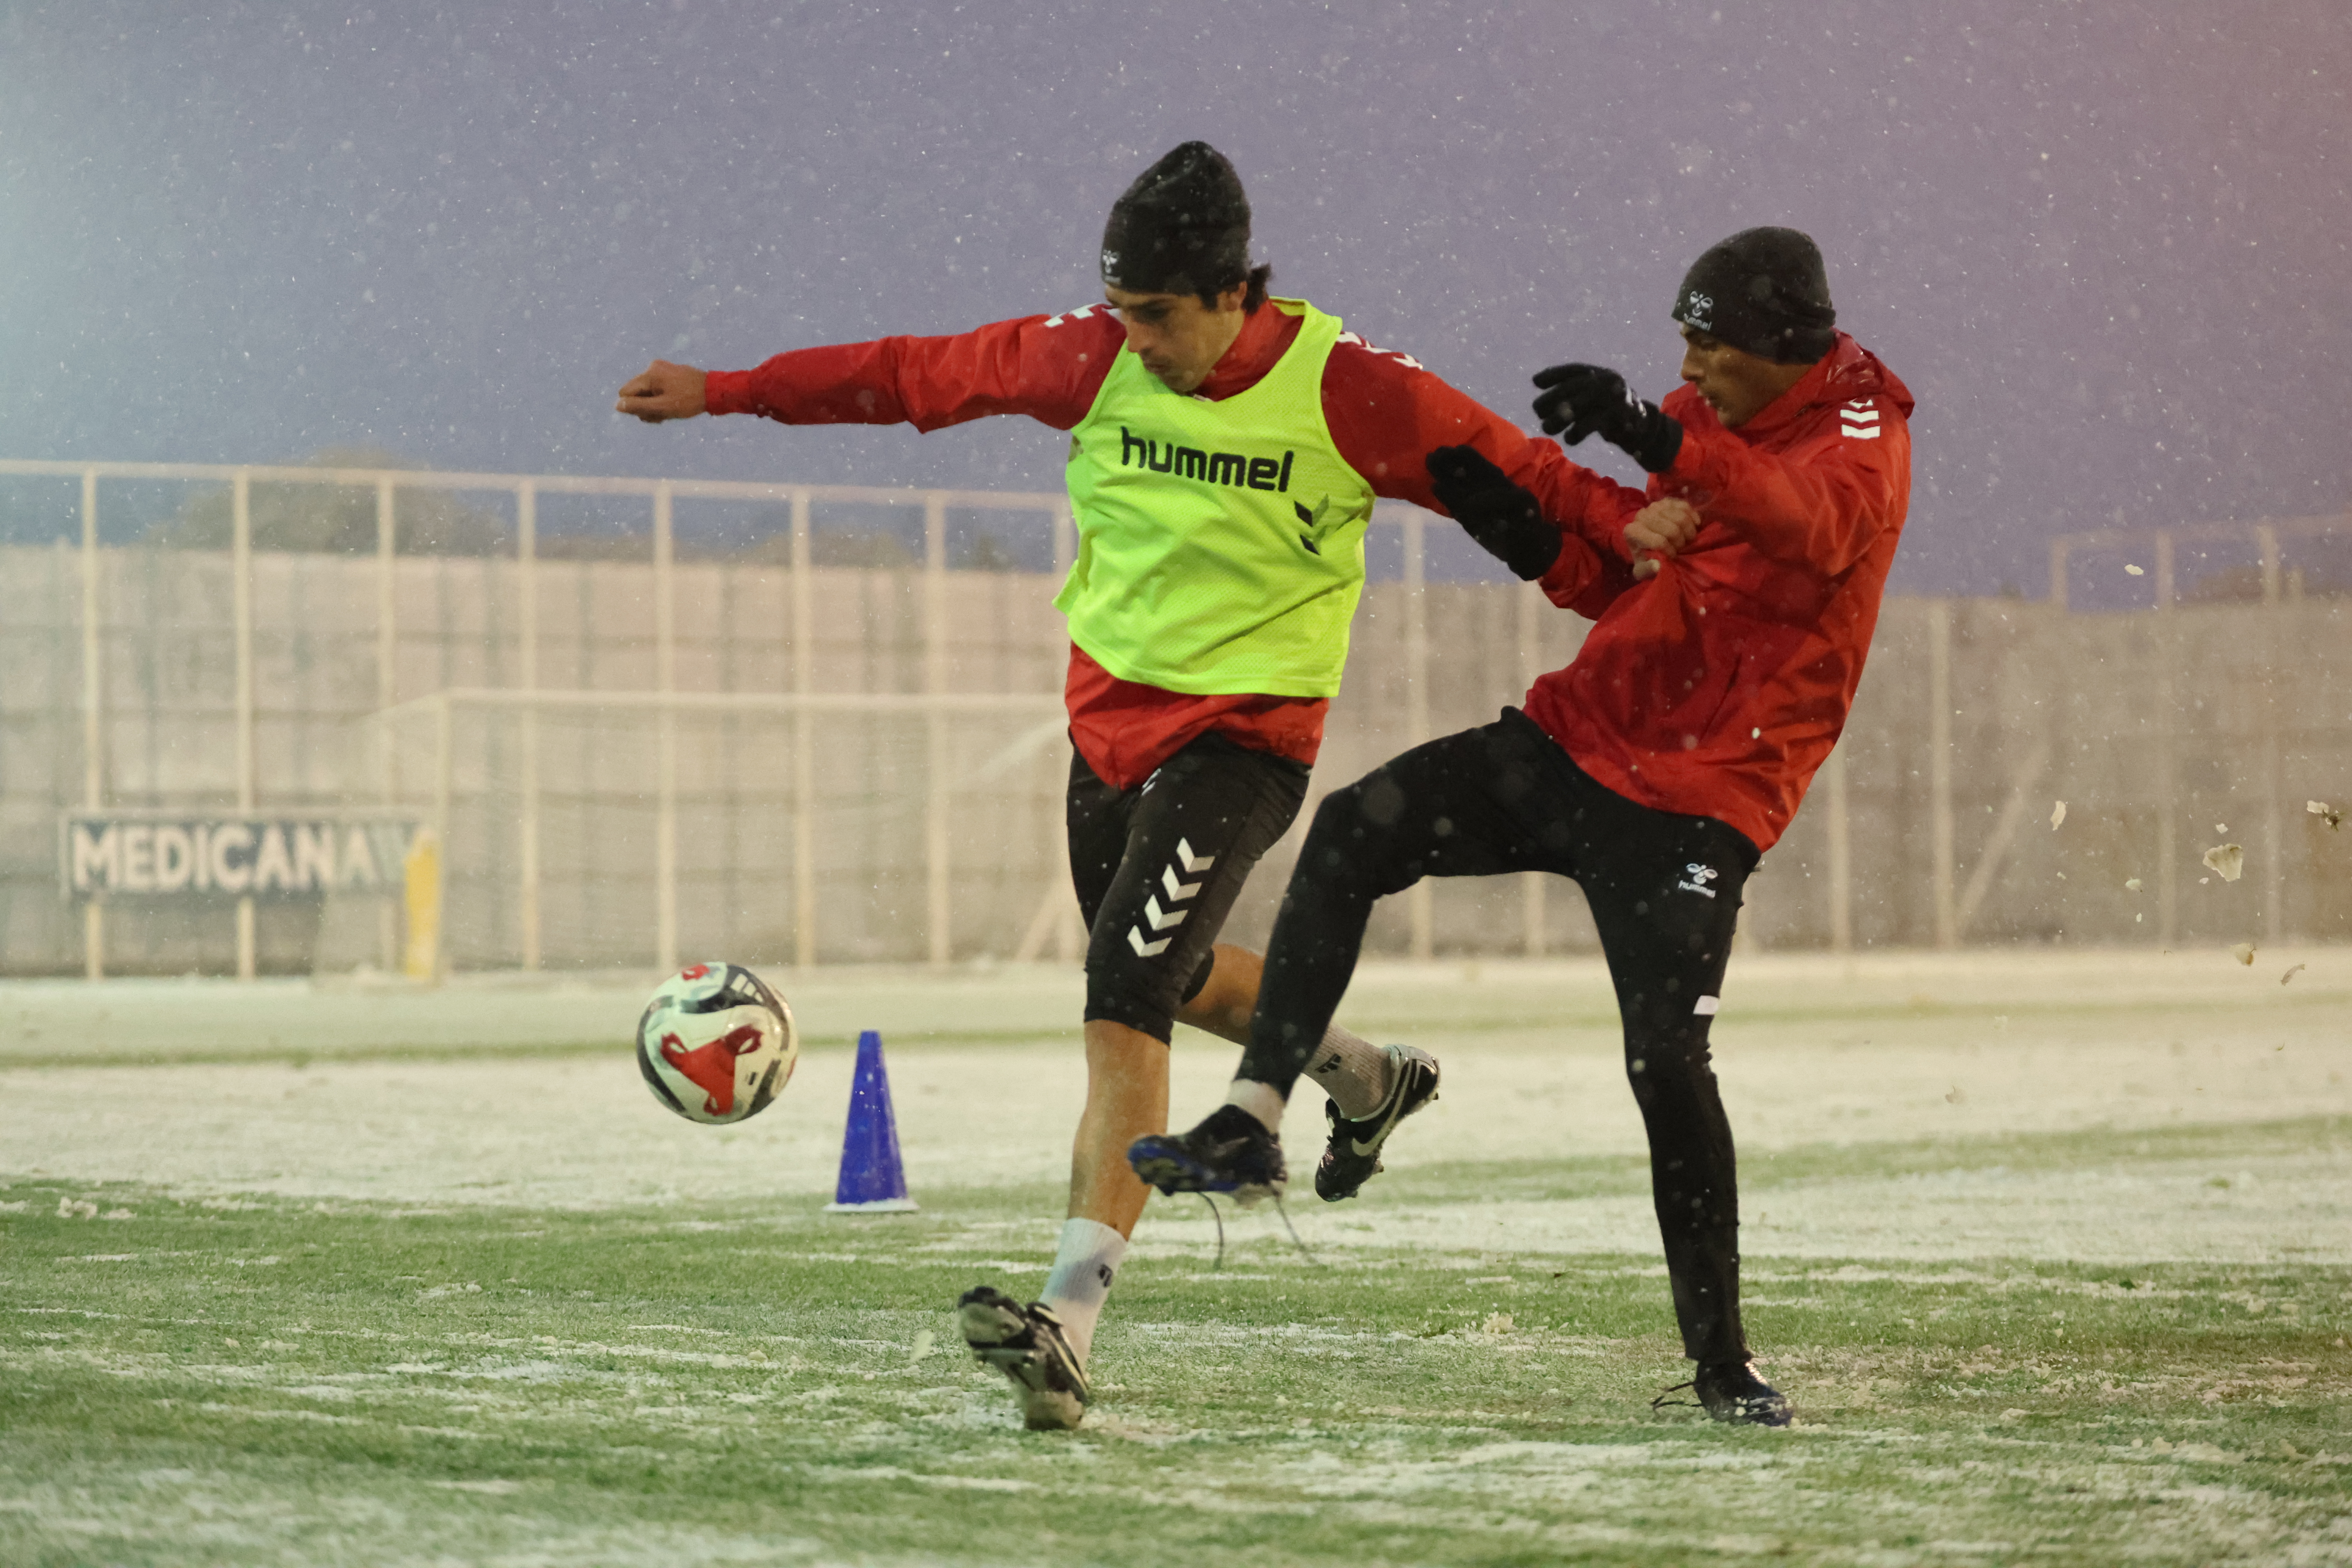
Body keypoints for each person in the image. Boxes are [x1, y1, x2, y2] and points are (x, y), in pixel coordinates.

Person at [614, 142, 1617, 1430]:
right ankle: (1371, 1077)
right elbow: (912, 376)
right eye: (1120, 308)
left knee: (1123, 990)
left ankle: (1068, 1322)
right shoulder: (1091, 354)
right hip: (1109, 735)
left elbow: (1514, 471)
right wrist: (729, 390)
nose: (1129, 338)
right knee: (1179, 972)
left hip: (1245, 743)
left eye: (1155, 315)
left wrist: (1635, 529)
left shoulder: (1349, 390)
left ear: (1229, 294)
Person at [1131, 227, 1915, 1427]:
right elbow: (1635, 583)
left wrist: (1661, 444)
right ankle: (1259, 1116)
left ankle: (1723, 1366)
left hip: (1705, 801)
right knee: (1349, 831)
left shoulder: (1863, 434)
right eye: (1681, 345)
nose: (1688, 368)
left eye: (1709, 346)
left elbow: (1807, 526)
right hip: (1577, 739)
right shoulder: (1705, 421)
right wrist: (1531, 536)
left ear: (1781, 349)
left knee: (1667, 1065)